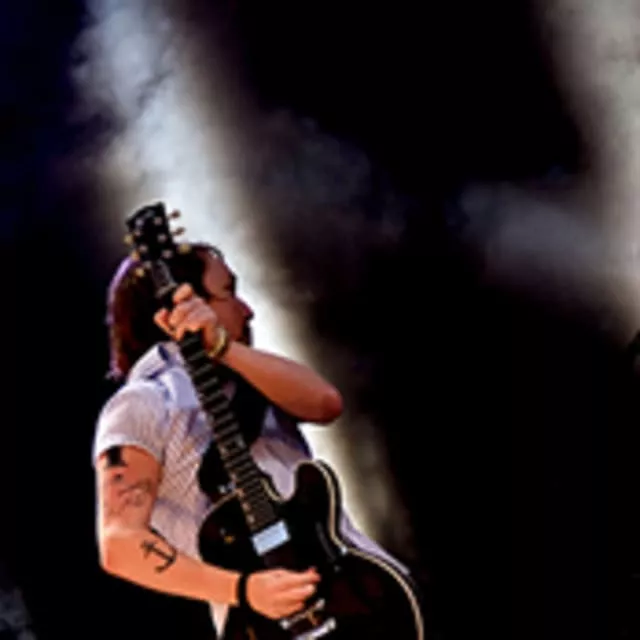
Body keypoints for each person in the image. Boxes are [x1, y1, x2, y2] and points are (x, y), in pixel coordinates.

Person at [92, 238, 412, 638]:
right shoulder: (141, 403)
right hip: (267, 624)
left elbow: (327, 404)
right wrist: (244, 590)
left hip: (366, 602)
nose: (247, 310)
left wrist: (222, 347)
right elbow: (120, 544)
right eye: (228, 293)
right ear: (183, 304)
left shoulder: (253, 375)